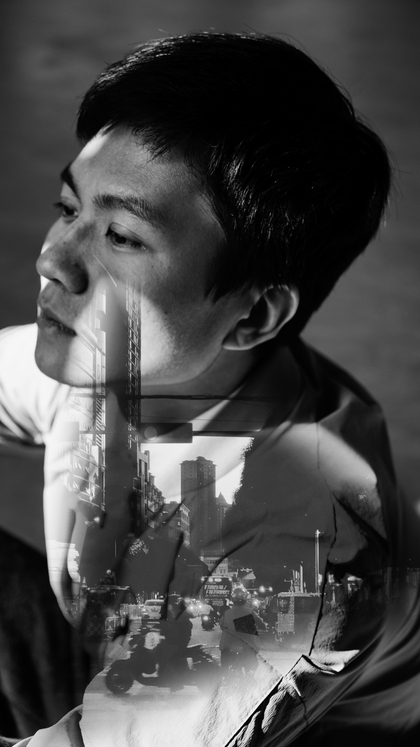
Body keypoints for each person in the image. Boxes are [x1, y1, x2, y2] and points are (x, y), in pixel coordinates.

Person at [0, 31, 419, 747]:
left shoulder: (295, 566)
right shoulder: (129, 360)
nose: (54, 259)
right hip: (116, 660)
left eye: (122, 237)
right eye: (70, 209)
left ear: (253, 316)